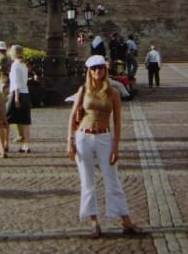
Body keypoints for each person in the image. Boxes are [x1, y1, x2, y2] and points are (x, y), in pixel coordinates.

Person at [67, 54, 139, 238]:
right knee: (87, 180)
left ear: (105, 70)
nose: (97, 71)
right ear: (89, 71)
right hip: (84, 137)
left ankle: (126, 220)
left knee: (112, 179)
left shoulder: (113, 92)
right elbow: (72, 116)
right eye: (94, 69)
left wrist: (116, 147)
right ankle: (94, 222)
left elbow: (118, 121)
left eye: (100, 68)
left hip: (104, 137)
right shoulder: (83, 90)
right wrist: (70, 141)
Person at [5, 45, 32, 153]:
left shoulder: (15, 65)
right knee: (25, 122)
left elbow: (16, 83)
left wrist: (16, 98)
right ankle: (26, 145)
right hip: (25, 93)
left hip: (17, 94)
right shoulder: (23, 65)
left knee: (5, 120)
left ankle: (5, 144)